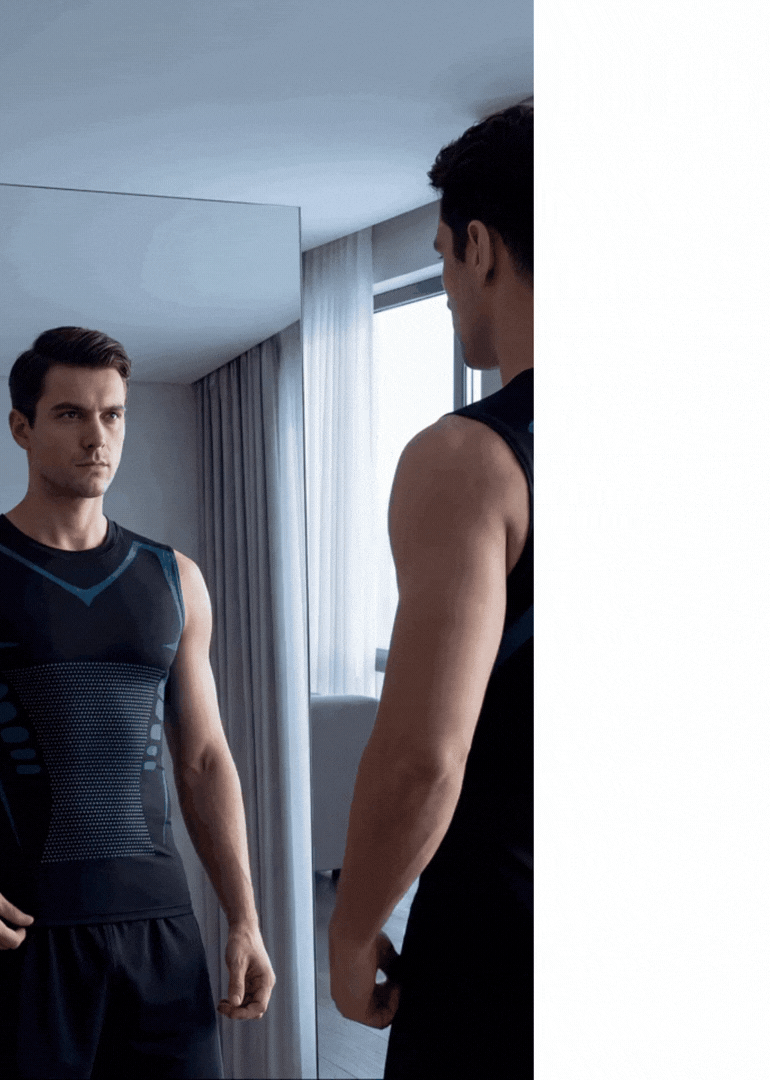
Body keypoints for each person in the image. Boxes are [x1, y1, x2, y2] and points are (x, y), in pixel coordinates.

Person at [0, 327, 275, 1079]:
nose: (97, 437)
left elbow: (204, 759)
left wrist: (244, 918)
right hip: (20, 937)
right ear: (21, 427)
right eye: (70, 414)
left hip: (163, 937)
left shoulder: (174, 577)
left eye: (112, 414)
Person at [328, 103, 534, 1077]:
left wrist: (350, 931)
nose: (448, 290)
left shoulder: (470, 459)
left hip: (504, 946)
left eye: (443, 258)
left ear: (479, 247)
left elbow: (422, 758)